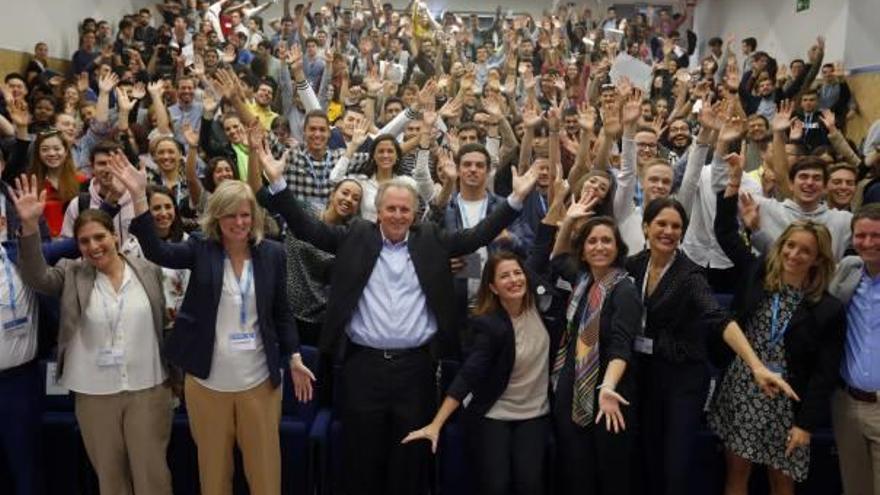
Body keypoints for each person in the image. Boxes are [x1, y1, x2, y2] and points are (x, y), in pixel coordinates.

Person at [252, 139, 539, 495]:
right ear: (378, 211)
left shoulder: (431, 238)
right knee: (360, 460)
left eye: (405, 210)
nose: (398, 216)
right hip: (362, 368)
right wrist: (278, 186)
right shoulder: (357, 234)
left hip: (415, 371)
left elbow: (478, 234)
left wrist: (515, 200)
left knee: (410, 459)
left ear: (415, 213)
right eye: (391, 209)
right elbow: (310, 230)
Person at [112, 154, 314, 495]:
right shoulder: (200, 249)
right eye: (230, 215)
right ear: (216, 217)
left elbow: (281, 312)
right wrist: (139, 196)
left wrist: (294, 357)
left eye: (245, 214)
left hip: (259, 384)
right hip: (208, 384)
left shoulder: (273, 254)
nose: (239, 222)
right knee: (214, 474)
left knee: (265, 475)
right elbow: (158, 252)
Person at [627, 197, 798, 495]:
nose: (668, 231)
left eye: (676, 226)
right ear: (645, 227)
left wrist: (755, 365)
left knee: (674, 464)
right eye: (661, 224)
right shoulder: (634, 265)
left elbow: (719, 319)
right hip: (647, 375)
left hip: (683, 379)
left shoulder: (690, 275)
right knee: (648, 456)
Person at [15, 174, 174, 495]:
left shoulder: (148, 270)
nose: (93, 246)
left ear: (114, 236)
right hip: (94, 392)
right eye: (84, 241)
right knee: (110, 478)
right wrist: (30, 228)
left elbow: (167, 325)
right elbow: (35, 276)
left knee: (152, 475)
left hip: (148, 388)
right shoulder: (72, 272)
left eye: (99, 237)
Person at [709, 153, 845, 493]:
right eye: (790, 246)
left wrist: (806, 424)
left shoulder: (826, 308)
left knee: (781, 482)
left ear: (818, 260)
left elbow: (824, 373)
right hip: (743, 387)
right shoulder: (758, 274)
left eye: (805, 251)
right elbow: (725, 232)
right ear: (780, 246)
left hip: (789, 401)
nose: (794, 255)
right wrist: (734, 183)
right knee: (736, 475)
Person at [402, 250, 556, 495]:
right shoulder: (489, 326)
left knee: (530, 484)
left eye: (518, 273)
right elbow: (468, 376)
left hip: (534, 413)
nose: (514, 279)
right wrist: (436, 424)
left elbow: (544, 248)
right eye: (505, 276)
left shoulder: (544, 307)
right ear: (493, 288)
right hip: (494, 411)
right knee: (496, 485)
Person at [548, 209, 643, 495]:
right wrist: (567, 221)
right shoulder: (582, 279)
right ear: (583, 250)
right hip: (571, 389)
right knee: (576, 472)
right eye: (592, 241)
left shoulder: (624, 290)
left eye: (606, 241)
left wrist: (608, 387)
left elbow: (621, 345)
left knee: (610, 475)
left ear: (618, 248)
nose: (599, 247)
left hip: (609, 395)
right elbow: (556, 258)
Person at [829, 204, 880, 495]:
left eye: (877, 235)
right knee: (855, 489)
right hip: (846, 404)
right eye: (861, 236)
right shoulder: (848, 270)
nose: (869, 243)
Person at [286, 178, 364, 346]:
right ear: (332, 194)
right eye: (345, 193)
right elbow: (262, 197)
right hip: (287, 312)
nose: (349, 199)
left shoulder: (349, 236)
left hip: (321, 320)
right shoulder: (304, 210)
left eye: (355, 198)